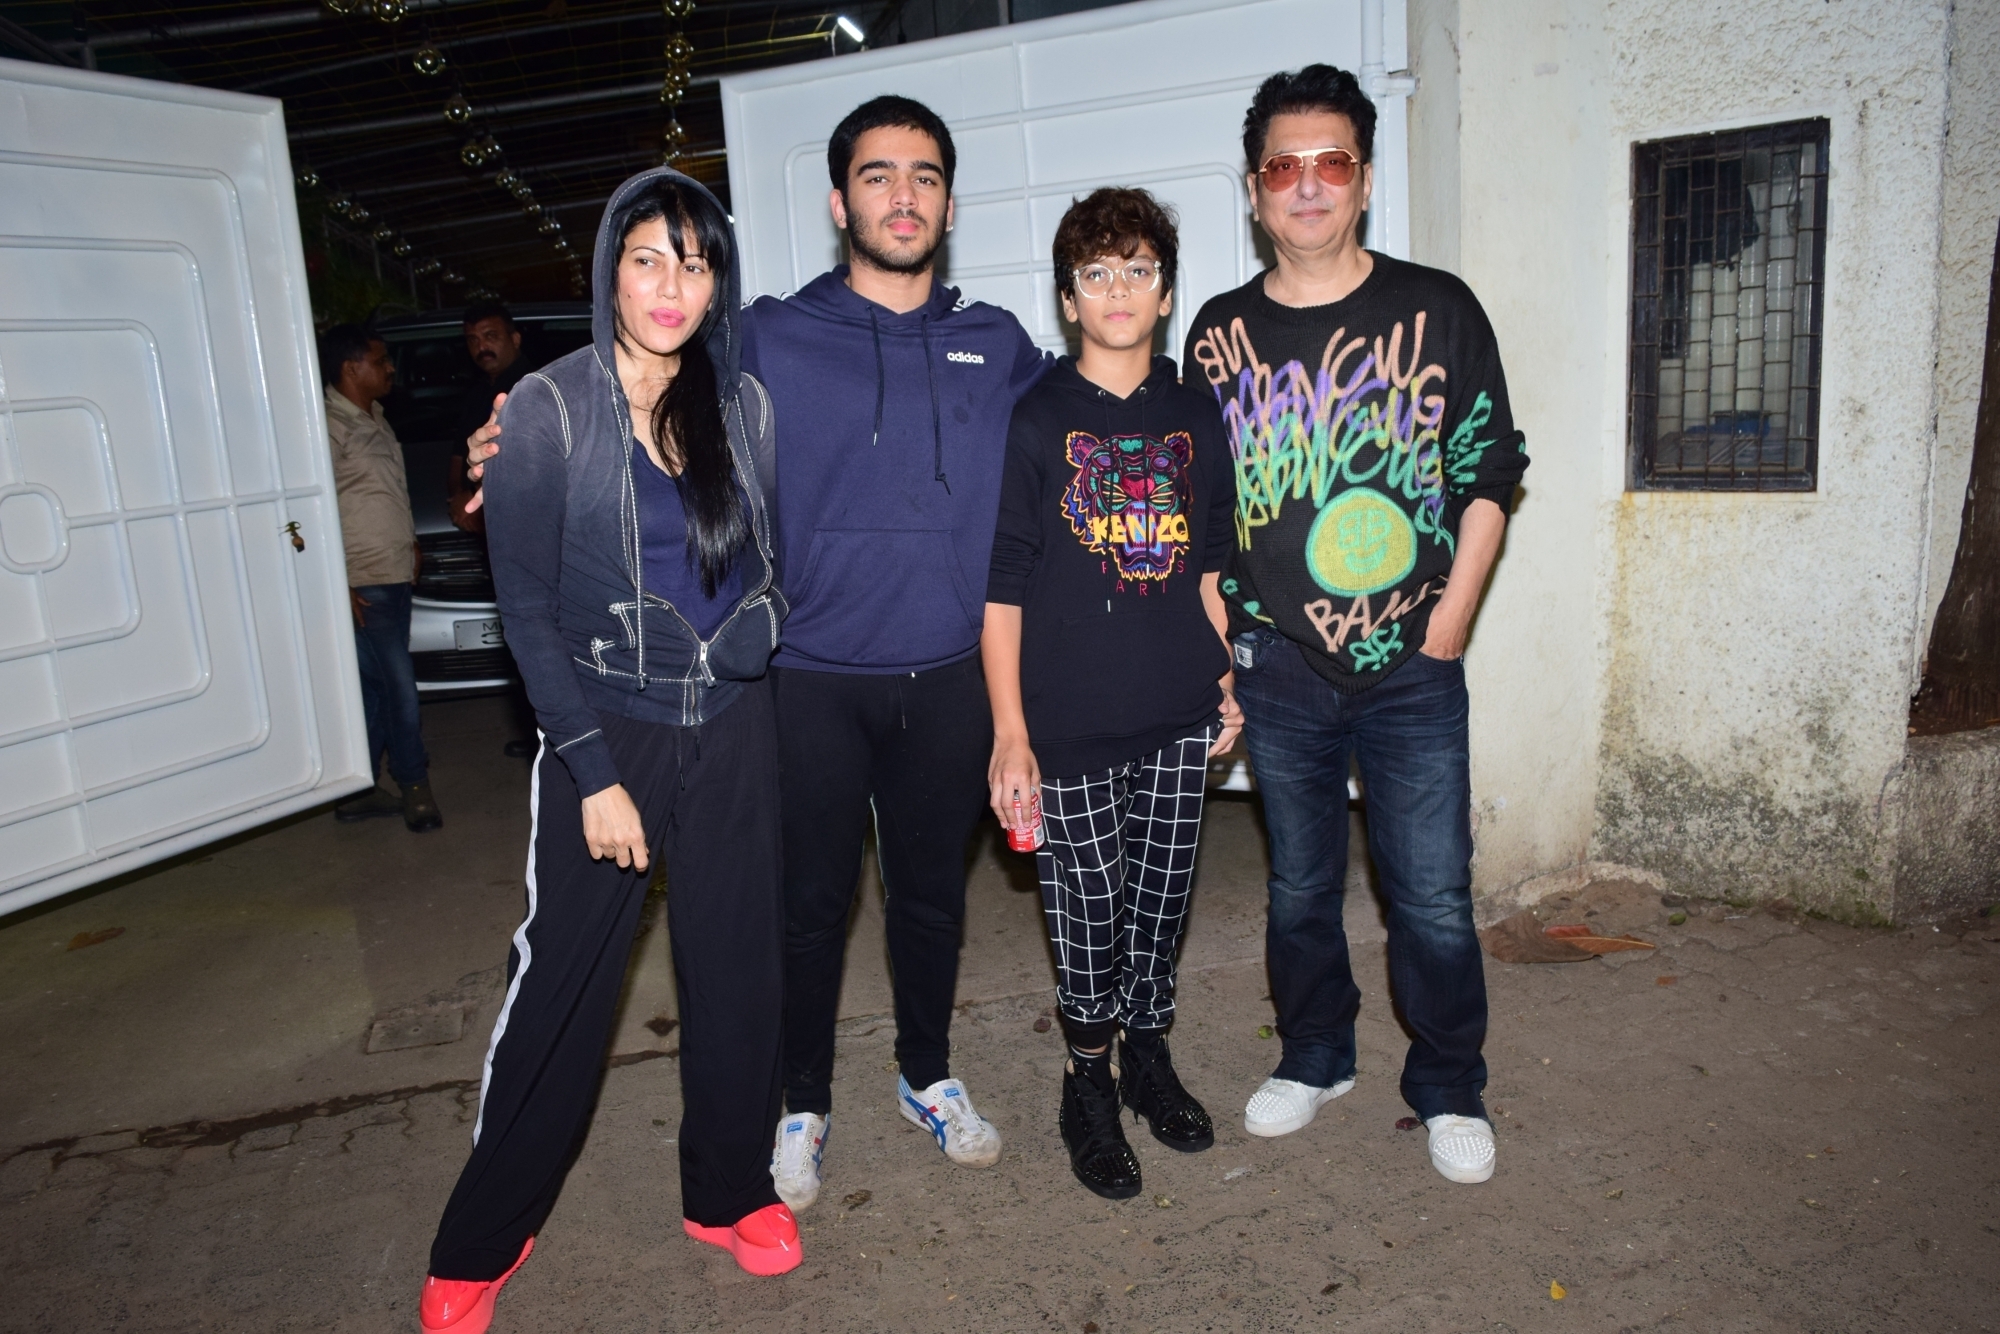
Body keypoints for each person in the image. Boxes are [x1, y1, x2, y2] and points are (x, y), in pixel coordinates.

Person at [418, 168, 796, 1334]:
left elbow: (757, 561)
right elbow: (524, 610)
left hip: (732, 723)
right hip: (606, 727)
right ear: (607, 272)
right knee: (562, 995)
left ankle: (727, 1191)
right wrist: (591, 769)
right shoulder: (547, 408)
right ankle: (485, 1233)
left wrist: (761, 628)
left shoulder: (742, 405)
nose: (671, 283)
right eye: (647, 257)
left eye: (694, 260)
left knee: (737, 970)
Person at [1182, 65, 1529, 1186]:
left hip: (1411, 662)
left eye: (1330, 161)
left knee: (1429, 887)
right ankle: (1315, 1054)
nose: (1307, 184)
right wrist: (1226, 653)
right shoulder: (1218, 335)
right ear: (1252, 191)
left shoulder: (1436, 308)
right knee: (1296, 886)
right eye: (1283, 166)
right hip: (1279, 663)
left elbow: (1488, 471)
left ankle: (1446, 1081)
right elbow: (1203, 523)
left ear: (1365, 178)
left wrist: (1449, 620)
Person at [743, 95, 1047, 1209]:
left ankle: (927, 1075)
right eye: (876, 175)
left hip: (950, 675)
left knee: (929, 899)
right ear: (839, 202)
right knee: (810, 903)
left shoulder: (997, 344)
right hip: (808, 676)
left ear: (949, 202)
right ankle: (799, 1100)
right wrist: (528, 430)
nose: (902, 194)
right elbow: (647, 399)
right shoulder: (768, 334)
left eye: (922, 175)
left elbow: (1087, 426)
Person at [981, 188, 1242, 1200]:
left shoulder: (1192, 413)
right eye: (1098, 272)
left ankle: (1147, 1056)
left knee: (1159, 901)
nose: (1119, 288)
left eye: (1137, 268)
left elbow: (1211, 566)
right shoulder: (1038, 419)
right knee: (1088, 906)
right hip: (1070, 719)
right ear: (1068, 296)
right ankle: (1084, 1076)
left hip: (1178, 709)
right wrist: (1010, 733)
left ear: (1164, 290)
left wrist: (1224, 678)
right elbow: (1001, 585)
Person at [319, 324, 442, 833]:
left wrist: (411, 540)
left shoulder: (376, 417)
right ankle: (415, 787)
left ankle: (360, 789)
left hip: (392, 572)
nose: (390, 368)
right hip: (363, 580)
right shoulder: (326, 426)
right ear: (351, 368)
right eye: (380, 360)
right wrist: (335, 583)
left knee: (374, 691)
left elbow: (386, 491)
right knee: (399, 690)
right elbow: (313, 510)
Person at [447, 301, 533, 536]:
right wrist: (459, 497)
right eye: (473, 340)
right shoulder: (476, 393)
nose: (481, 346)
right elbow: (458, 455)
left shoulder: (535, 387)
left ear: (515, 339)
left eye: (490, 336)